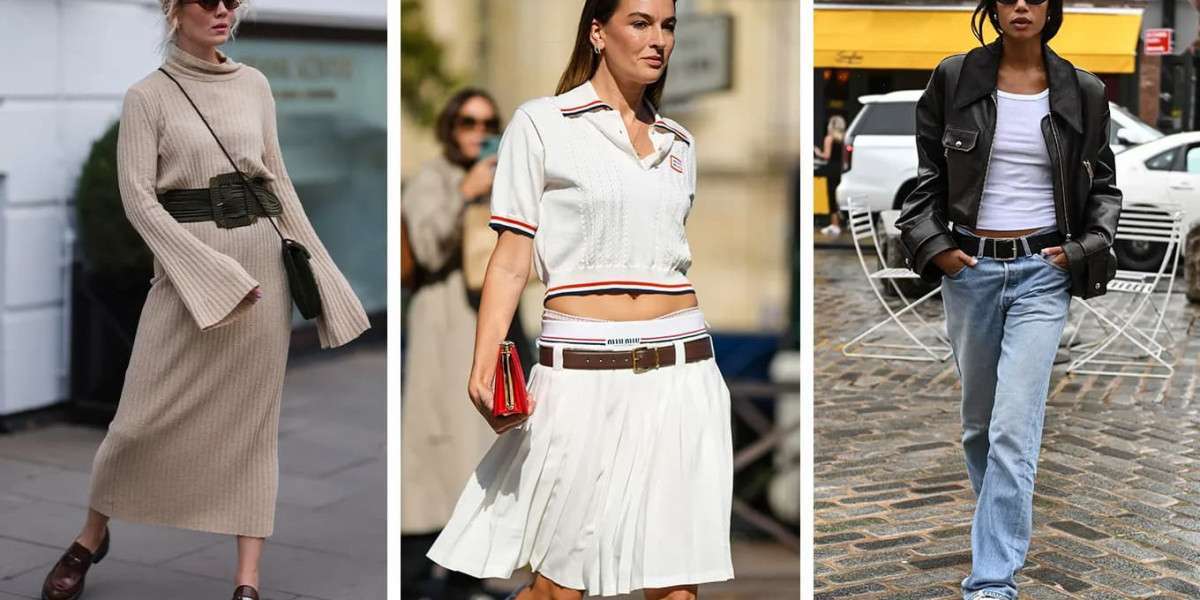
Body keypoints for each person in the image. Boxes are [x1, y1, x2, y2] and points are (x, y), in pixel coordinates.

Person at [41, 2, 370, 599]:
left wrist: (322, 272)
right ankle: (90, 537)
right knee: (136, 422)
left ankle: (247, 583)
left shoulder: (255, 85)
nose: (222, 10)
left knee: (252, 428)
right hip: (189, 274)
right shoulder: (148, 96)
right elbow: (140, 203)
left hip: (262, 273)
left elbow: (277, 182)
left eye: (233, 0)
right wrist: (210, 270)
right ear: (174, 10)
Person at [426, 1, 735, 599]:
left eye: (667, 25)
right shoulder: (542, 124)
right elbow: (513, 257)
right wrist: (485, 357)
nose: (658, 40)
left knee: (675, 589)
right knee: (556, 590)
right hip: (580, 373)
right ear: (598, 31)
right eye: (640, 23)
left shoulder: (680, 142)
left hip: (682, 370)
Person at [896, 1, 1120, 598]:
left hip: (1042, 272)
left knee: (1012, 431)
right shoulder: (954, 76)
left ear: (1051, 7)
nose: (1021, 5)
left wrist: (1081, 250)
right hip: (970, 270)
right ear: (993, 7)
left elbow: (1102, 186)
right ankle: (999, 527)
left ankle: (992, 580)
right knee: (979, 430)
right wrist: (937, 247)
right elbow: (927, 179)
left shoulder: (1084, 91)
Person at [400, 88, 519, 600]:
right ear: (451, 127)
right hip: (444, 327)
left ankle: (467, 578)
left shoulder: (508, 179)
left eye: (488, 122)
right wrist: (465, 193)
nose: (478, 131)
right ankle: (415, 575)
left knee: (486, 451)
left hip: (495, 330)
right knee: (437, 449)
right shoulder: (434, 178)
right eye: (468, 122)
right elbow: (425, 246)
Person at [814, 115, 846, 237]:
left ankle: (834, 225)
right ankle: (839, 224)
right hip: (841, 170)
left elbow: (826, 156)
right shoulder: (844, 138)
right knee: (838, 197)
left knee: (832, 197)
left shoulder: (829, 138)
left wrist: (817, 152)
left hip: (831, 170)